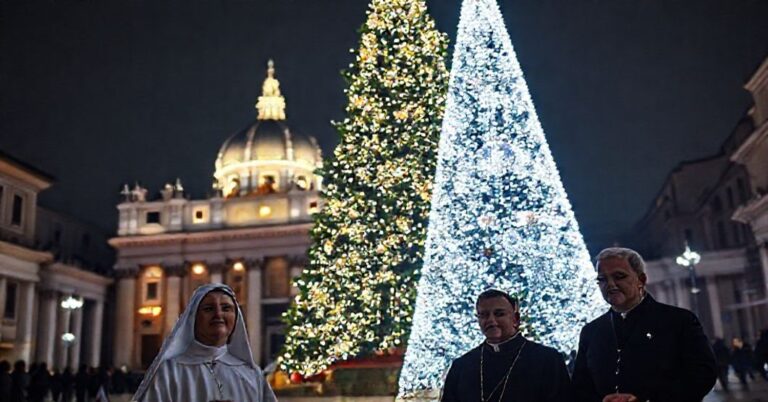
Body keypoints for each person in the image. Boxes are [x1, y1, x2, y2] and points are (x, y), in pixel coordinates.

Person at [572, 247, 717, 402]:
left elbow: (703, 375)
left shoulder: (679, 321)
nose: (611, 284)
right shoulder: (591, 331)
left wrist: (645, 400)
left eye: (619, 276)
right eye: (602, 279)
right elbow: (580, 386)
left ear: (641, 280)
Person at [133, 283, 277, 402]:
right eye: (209, 309)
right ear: (193, 319)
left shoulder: (252, 375)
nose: (218, 315)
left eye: (226, 308)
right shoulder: (170, 372)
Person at [440, 288, 572, 402]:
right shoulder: (462, 366)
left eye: (499, 314)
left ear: (516, 319)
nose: (491, 320)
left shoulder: (548, 360)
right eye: (484, 315)